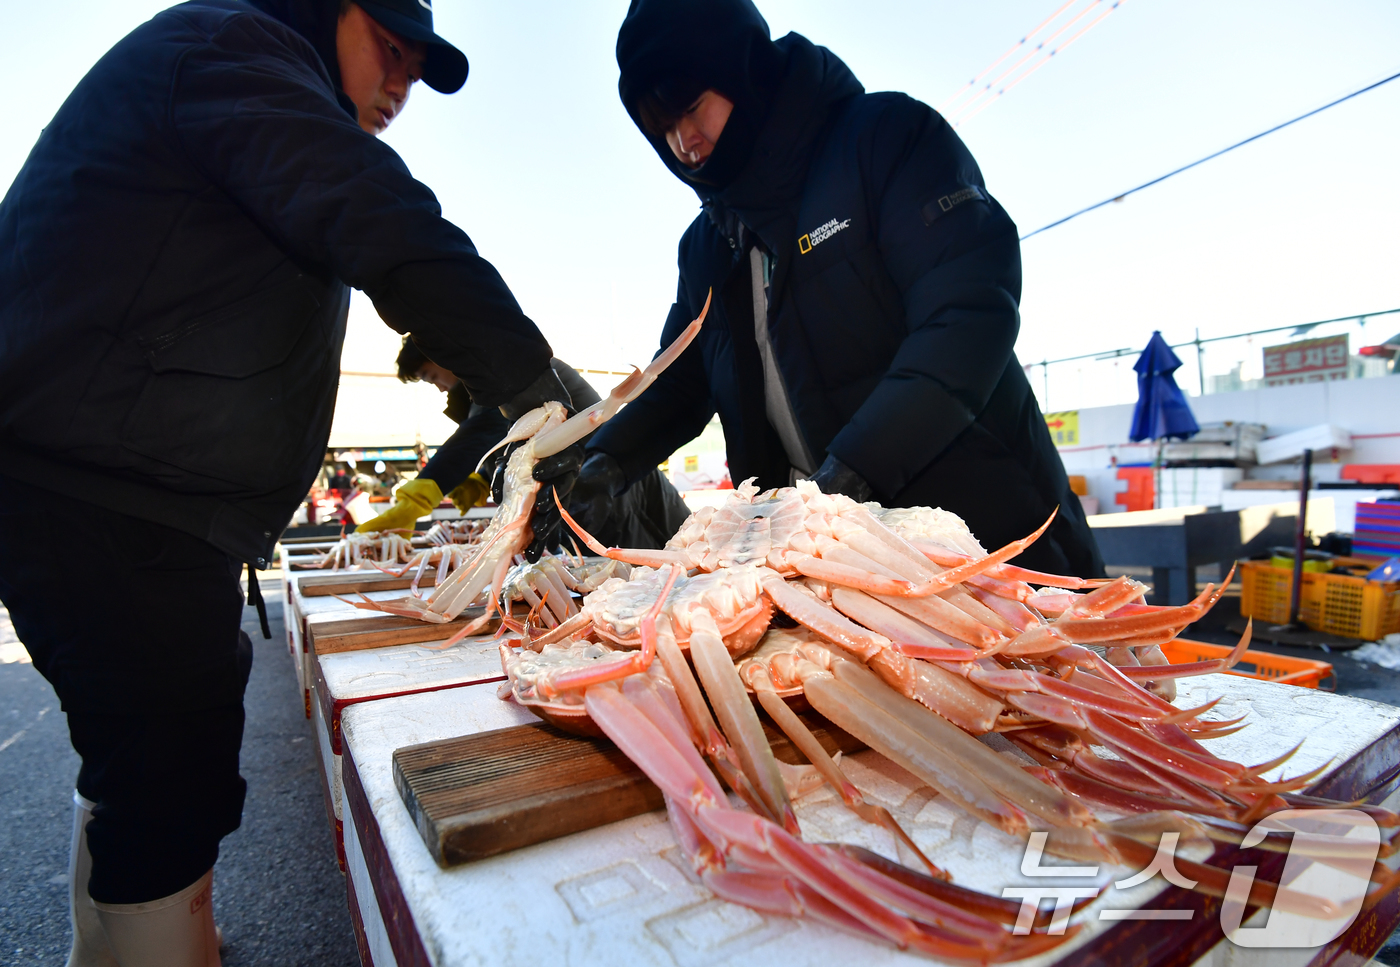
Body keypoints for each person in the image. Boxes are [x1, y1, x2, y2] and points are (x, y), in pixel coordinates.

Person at [0, 1, 581, 964]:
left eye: (415, 69)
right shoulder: (239, 51)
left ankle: (113, 949)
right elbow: (376, 213)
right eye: (389, 51)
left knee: (140, 751)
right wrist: (533, 386)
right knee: (166, 767)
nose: (400, 86)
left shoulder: (239, 78)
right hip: (101, 486)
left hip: (116, 483)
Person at [576, 0, 1103, 576]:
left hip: (989, 555)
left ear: (743, 70)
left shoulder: (887, 141)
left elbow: (967, 315)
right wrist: (607, 459)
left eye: (691, 109)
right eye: (663, 128)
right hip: (830, 574)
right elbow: (679, 384)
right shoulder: (707, 245)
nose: (684, 142)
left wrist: (856, 468)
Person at [359, 338, 691, 549]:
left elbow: (485, 428)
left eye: (433, 377)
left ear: (442, 353)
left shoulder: (513, 374)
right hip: (591, 500)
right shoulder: (488, 385)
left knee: (667, 579)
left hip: (621, 494)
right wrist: (480, 478)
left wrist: (421, 494)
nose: (440, 388)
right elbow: (508, 441)